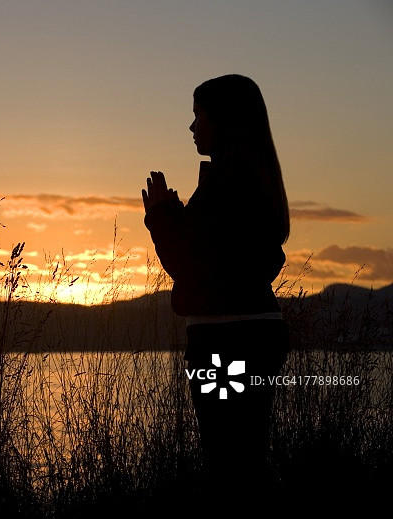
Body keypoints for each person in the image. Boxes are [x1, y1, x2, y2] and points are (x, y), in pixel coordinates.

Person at [141, 74, 290, 501]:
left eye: (198, 115)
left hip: (225, 341)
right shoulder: (253, 182)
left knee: (227, 467)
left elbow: (192, 269)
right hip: (255, 332)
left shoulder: (226, 187)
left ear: (223, 121)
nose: (192, 127)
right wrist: (179, 217)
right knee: (246, 460)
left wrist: (163, 218)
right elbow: (242, 261)